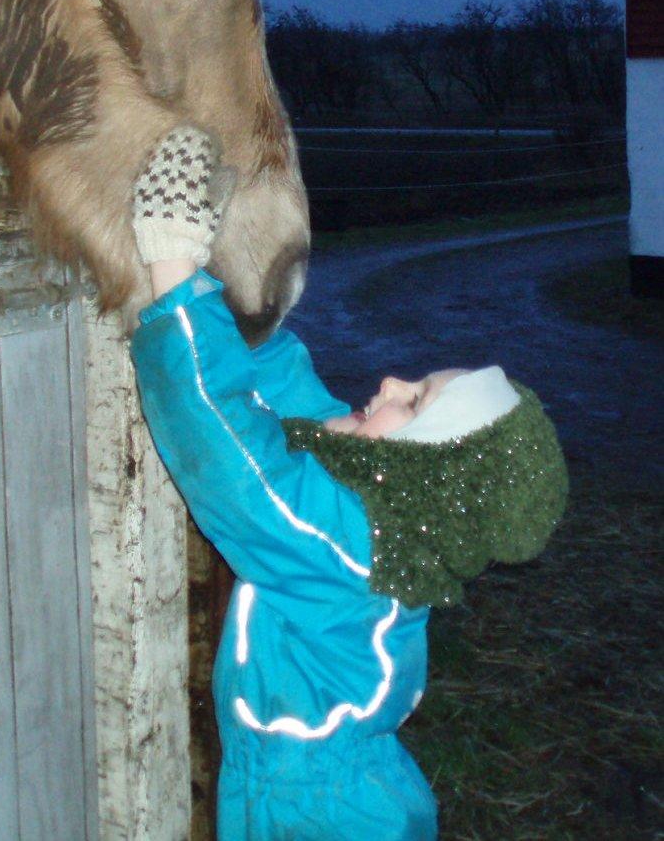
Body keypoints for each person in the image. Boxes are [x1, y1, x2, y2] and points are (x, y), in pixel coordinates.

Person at [128, 126, 567, 841]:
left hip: (312, 810)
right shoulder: (390, 511)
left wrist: (173, 272)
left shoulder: (351, 544)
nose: (391, 382)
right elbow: (301, 408)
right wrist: (231, 285)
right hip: (331, 792)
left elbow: (235, 463)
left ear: (433, 469)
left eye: (416, 400)